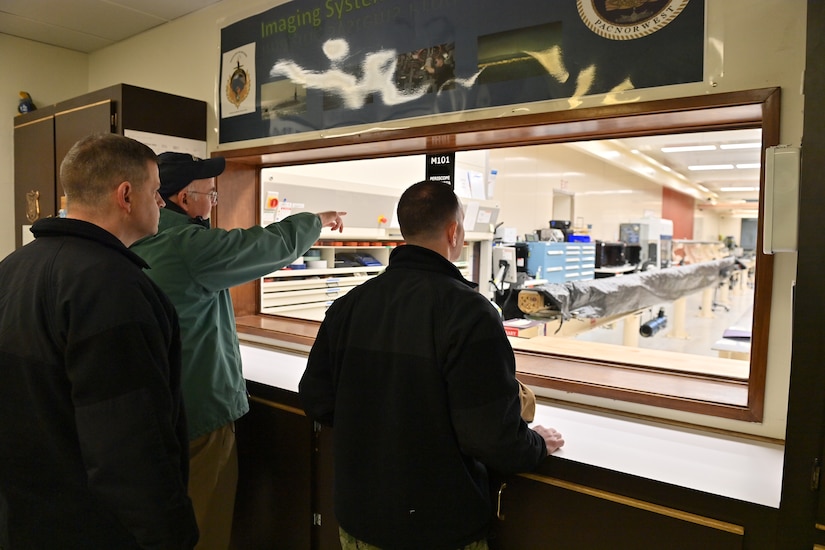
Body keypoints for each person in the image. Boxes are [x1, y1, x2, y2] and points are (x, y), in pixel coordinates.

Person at [299, 180, 564, 550]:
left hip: (358, 520)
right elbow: (490, 434)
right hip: (437, 529)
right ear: (454, 232)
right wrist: (537, 445)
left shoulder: (350, 304)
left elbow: (317, 398)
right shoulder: (471, 314)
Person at [130, 152, 345, 550]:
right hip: (199, 413)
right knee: (204, 523)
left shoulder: (137, 239)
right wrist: (317, 220)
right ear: (181, 198)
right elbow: (263, 247)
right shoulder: (185, 244)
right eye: (210, 195)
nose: (214, 202)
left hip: (155, 409)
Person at [0, 133, 198, 549]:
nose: (162, 203)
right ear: (126, 195)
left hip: (24, 514)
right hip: (91, 526)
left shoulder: (12, 269)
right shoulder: (113, 288)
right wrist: (170, 534)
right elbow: (128, 441)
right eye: (156, 191)